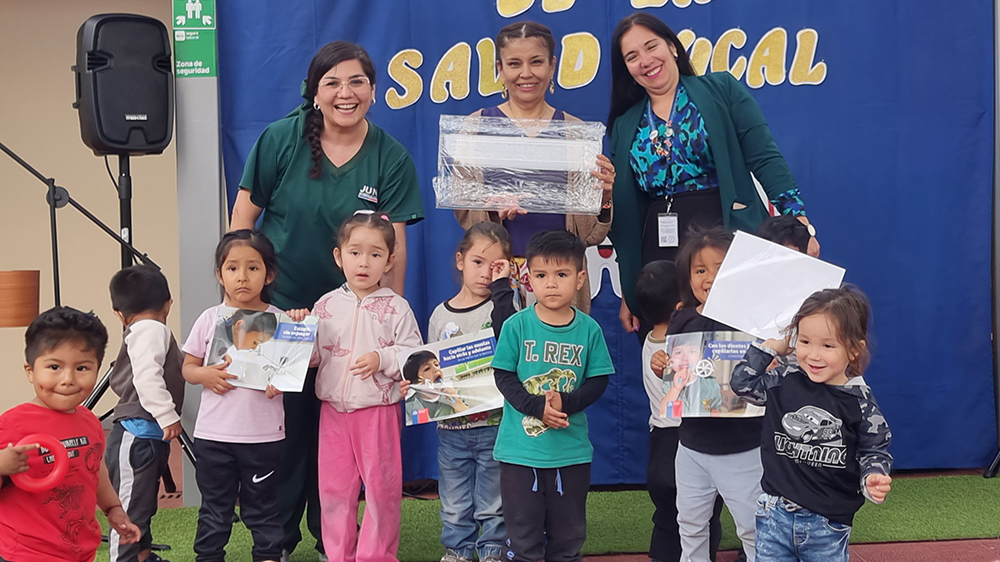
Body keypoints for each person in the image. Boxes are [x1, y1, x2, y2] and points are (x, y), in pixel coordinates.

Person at [230, 40, 424, 561]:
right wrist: (244, 305)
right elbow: (242, 223)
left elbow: (396, 247)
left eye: (357, 82)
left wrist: (390, 321)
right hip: (288, 316)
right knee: (284, 438)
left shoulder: (390, 156)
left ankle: (332, 545)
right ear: (314, 92)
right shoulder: (281, 140)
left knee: (345, 447)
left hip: (358, 323)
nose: (346, 93)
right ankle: (276, 543)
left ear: (374, 91)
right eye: (333, 82)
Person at [606, 12, 819, 335]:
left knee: (737, 342)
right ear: (627, 70)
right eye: (632, 57)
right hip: (658, 250)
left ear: (673, 47)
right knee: (674, 356)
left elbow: (764, 157)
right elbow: (627, 210)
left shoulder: (721, 89)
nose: (645, 60)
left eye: (652, 46)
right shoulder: (624, 124)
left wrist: (799, 224)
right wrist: (631, 284)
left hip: (725, 233)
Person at [455, 20, 617, 313]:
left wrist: (604, 196)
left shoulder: (575, 133)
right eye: (514, 63)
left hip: (559, 279)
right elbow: (466, 216)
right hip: (498, 277)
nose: (526, 73)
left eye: (536, 62)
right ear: (500, 69)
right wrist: (493, 211)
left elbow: (591, 234)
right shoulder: (475, 128)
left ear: (552, 65)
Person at [731, 286, 893, 562]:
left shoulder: (860, 400)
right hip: (773, 514)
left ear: (854, 349)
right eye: (805, 342)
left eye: (828, 345)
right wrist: (769, 348)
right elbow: (742, 384)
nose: (814, 355)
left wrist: (872, 476)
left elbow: (874, 449)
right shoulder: (785, 378)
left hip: (827, 525)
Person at [491, 230, 614, 562]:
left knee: (568, 538)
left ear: (580, 278)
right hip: (520, 454)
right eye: (542, 275)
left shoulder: (589, 329)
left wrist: (567, 402)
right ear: (529, 279)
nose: (552, 283)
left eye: (562, 274)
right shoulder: (517, 326)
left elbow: (598, 381)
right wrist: (537, 407)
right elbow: (503, 375)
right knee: (523, 539)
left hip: (570, 455)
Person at [308, 212, 422, 562]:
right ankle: (339, 554)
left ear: (390, 260)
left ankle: (376, 555)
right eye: (355, 252)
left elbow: (415, 355)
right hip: (333, 415)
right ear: (338, 256)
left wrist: (382, 358)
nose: (364, 262)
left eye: (375, 254)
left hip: (378, 412)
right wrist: (297, 331)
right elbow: (310, 359)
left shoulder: (397, 308)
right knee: (334, 492)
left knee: (381, 492)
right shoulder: (325, 306)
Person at [0, 307, 141, 562]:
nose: (68, 379)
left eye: (82, 368)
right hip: (25, 553)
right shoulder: (10, 425)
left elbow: (94, 470)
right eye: (54, 366)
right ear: (30, 370)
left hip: (79, 550)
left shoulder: (89, 422)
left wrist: (113, 508)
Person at [181, 230, 286, 562]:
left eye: (253, 268)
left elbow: (292, 370)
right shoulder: (210, 319)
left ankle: (268, 554)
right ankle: (209, 556)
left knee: (264, 506)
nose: (242, 277)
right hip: (214, 437)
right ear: (219, 274)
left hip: (264, 437)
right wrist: (205, 375)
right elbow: (188, 367)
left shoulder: (280, 320)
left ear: (268, 274)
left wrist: (281, 381)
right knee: (215, 507)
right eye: (232, 268)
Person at [666, 227, 761, 562]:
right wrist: (660, 361)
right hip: (691, 445)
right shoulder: (682, 318)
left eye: (721, 267)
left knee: (752, 527)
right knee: (690, 523)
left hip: (743, 447)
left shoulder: (754, 321)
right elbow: (672, 371)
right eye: (700, 270)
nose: (709, 277)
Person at [423, 221, 516, 562]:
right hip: (451, 429)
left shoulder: (502, 308)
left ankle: (492, 550)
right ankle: (458, 551)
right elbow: (429, 366)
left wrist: (504, 284)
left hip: (494, 425)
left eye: (494, 266)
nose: (485, 274)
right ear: (460, 260)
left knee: (494, 499)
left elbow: (511, 339)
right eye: (478, 262)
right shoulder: (438, 315)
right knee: (455, 500)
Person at [106, 265, 186, 562]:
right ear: (168, 304)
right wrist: (168, 415)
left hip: (145, 438)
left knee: (142, 506)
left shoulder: (143, 330)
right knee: (129, 511)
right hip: (136, 437)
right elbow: (147, 378)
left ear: (119, 314)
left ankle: (143, 557)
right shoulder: (152, 329)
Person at [660, 332, 722, 417]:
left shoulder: (711, 385)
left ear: (701, 356)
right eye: (678, 352)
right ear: (670, 357)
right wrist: (676, 389)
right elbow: (665, 413)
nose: (685, 358)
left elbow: (715, 409)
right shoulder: (666, 383)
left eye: (692, 351)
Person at [403, 350, 469, 419]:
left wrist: (455, 401)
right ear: (416, 383)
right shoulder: (408, 407)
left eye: (436, 365)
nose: (436, 369)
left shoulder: (456, 394)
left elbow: (469, 419)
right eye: (427, 368)